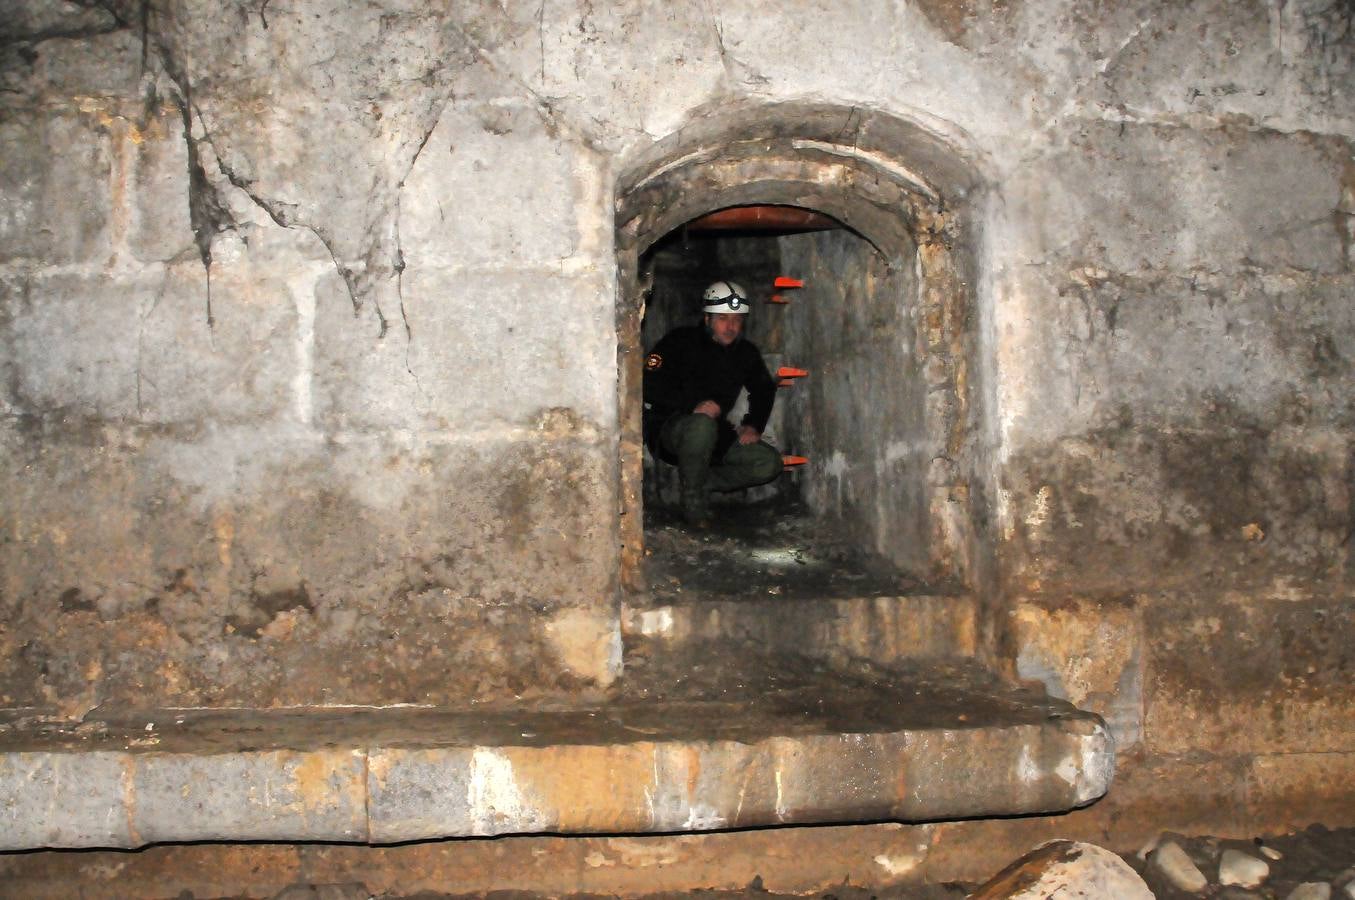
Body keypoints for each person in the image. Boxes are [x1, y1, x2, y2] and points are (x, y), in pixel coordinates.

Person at [642, 280, 783, 527]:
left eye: (737, 320)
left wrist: (753, 425)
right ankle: (693, 506)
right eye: (723, 319)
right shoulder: (678, 341)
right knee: (701, 425)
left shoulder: (745, 353)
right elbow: (647, 382)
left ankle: (696, 481)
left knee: (768, 463)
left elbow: (763, 389)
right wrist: (691, 405)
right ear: (707, 319)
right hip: (670, 428)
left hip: (715, 431)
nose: (731, 327)